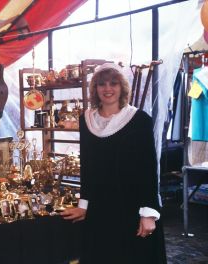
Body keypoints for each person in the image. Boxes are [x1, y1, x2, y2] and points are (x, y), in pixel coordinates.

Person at [60, 63, 166, 263]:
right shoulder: (87, 120)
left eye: (113, 83)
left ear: (122, 87)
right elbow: (88, 167)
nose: (107, 89)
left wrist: (149, 213)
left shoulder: (139, 119)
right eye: (102, 84)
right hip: (101, 210)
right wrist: (84, 205)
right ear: (95, 89)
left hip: (131, 208)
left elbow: (148, 169)